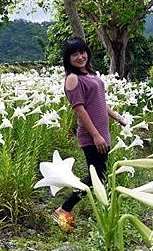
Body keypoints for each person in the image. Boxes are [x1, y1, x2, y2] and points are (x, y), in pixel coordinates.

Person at [52, 37, 126, 232]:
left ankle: (69, 209)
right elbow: (80, 110)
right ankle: (63, 209)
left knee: (99, 175)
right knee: (97, 177)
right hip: (92, 135)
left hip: (102, 132)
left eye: (82, 52)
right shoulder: (72, 78)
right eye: (74, 54)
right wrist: (95, 135)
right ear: (67, 59)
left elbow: (99, 102)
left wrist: (116, 116)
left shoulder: (90, 74)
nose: (80, 56)